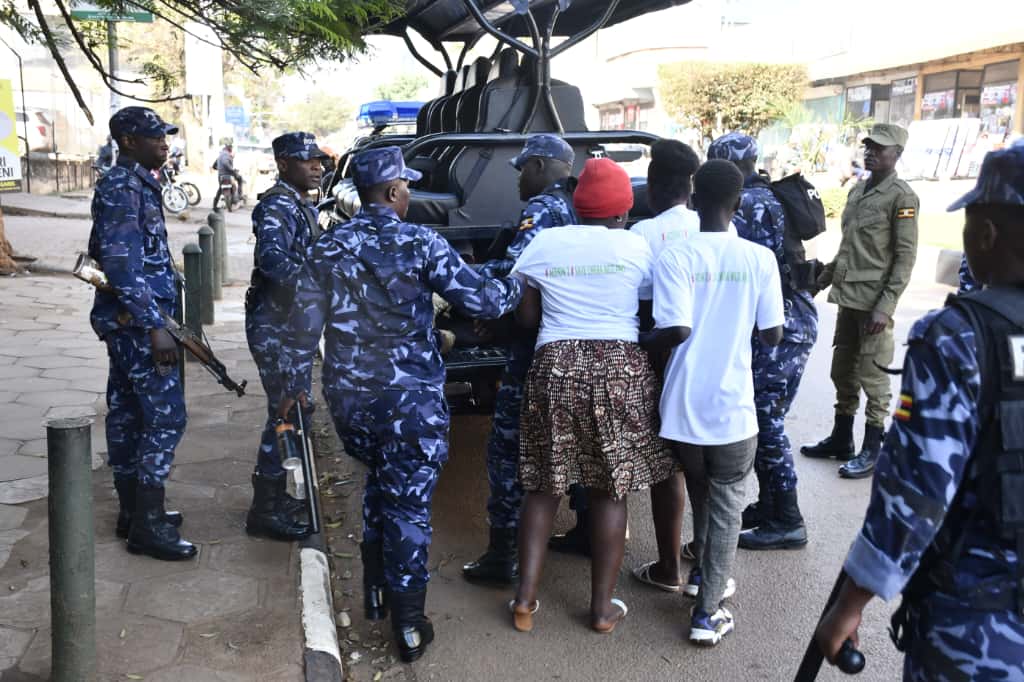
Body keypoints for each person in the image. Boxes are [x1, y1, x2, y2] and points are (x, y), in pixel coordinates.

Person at [280, 146, 522, 663]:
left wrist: (295, 386)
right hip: (409, 400)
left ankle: (375, 589)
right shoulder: (421, 242)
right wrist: (518, 278)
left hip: (350, 399)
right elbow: (485, 302)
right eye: (406, 186)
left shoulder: (329, 246)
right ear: (392, 192)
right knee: (408, 503)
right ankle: (409, 625)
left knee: (381, 482)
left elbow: (300, 327)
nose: (409, 193)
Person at [814, 140, 1024, 681]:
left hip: (982, 626)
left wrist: (850, 603)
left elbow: (917, 492)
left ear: (985, 234)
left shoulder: (958, 339)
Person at [508, 157, 675, 634]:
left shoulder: (546, 241)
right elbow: (651, 312)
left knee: (542, 487)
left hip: (555, 364)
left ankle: (524, 601)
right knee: (609, 491)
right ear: (624, 211)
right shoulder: (636, 246)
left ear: (576, 207)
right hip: (619, 366)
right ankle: (601, 611)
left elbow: (524, 317)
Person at [641, 159, 784, 646]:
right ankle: (706, 613)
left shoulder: (675, 258)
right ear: (738, 203)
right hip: (732, 407)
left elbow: (674, 328)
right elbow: (772, 335)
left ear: (693, 199)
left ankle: (704, 572)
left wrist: (640, 340)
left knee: (702, 489)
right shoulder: (759, 259)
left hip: (681, 405)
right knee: (727, 503)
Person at [462, 133, 583, 583]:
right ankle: (586, 530)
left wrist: (471, 287)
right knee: (576, 446)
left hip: (534, 347)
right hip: (580, 344)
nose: (518, 180)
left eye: (522, 169)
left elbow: (518, 275)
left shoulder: (543, 209)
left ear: (539, 166)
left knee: (508, 450)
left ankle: (504, 555)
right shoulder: (581, 206)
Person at [88, 106, 194, 561]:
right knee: (166, 417)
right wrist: (156, 327)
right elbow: (119, 264)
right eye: (156, 136)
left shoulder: (138, 183)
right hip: (138, 325)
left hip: (134, 321)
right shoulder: (122, 186)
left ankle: (134, 513)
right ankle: (147, 525)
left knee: (129, 414)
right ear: (129, 140)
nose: (164, 142)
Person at [706, 132, 816, 551]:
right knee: (768, 417)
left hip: (778, 325)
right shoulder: (770, 195)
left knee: (766, 423)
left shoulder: (748, 205)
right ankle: (770, 505)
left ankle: (788, 518)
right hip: (795, 317)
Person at [803, 123, 919, 479]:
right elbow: (847, 250)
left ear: (897, 154)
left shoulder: (903, 197)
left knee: (875, 378)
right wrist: (819, 283)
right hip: (849, 299)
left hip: (873, 306)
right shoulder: (857, 191)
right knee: (843, 371)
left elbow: (905, 256)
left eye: (879, 148)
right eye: (868, 146)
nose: (870, 152)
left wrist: (886, 306)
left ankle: (873, 447)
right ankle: (841, 439)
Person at [244, 132, 328, 542]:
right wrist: (318, 286)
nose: (316, 166)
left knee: (296, 410)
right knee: (288, 411)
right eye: (306, 160)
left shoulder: (300, 203)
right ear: (282, 163)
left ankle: (276, 497)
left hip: (292, 324)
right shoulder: (278, 206)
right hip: (275, 324)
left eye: (318, 160)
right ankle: (265, 508)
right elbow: (274, 263)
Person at [214, 142, 243, 208]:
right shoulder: (226, 155)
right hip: (228, 175)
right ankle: (238, 197)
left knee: (220, 189)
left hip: (220, 176)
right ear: (229, 149)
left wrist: (220, 169)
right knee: (239, 179)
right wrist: (232, 170)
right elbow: (226, 163)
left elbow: (214, 166)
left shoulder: (220, 155)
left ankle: (215, 204)